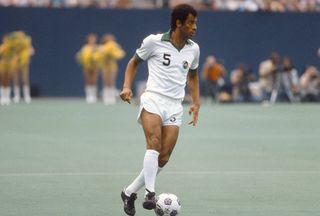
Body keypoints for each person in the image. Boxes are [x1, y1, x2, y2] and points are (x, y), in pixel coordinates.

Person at [119, 4, 200, 215]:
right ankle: (150, 194)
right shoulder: (153, 41)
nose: (195, 27)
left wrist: (196, 102)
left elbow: (193, 75)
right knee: (153, 143)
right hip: (153, 99)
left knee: (163, 156)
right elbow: (133, 62)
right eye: (191, 22)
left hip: (175, 105)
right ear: (178, 23)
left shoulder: (194, 49)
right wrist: (127, 86)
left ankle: (129, 192)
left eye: (196, 22)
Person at [99, 33, 125, 105]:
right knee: (106, 82)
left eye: (111, 39)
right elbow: (99, 56)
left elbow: (120, 54)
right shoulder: (102, 47)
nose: (110, 40)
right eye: (109, 39)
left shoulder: (115, 46)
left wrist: (113, 54)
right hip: (104, 66)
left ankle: (111, 97)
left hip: (112, 66)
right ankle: (106, 97)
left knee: (111, 81)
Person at [11, 31, 35, 104]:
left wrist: (28, 53)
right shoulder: (13, 43)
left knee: (25, 79)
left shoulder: (26, 42)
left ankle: (27, 96)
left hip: (24, 63)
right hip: (15, 63)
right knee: (16, 79)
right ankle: (17, 96)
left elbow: (32, 51)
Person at [76, 33, 100, 104]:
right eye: (91, 39)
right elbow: (80, 56)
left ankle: (93, 96)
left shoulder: (97, 47)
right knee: (88, 81)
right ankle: (89, 96)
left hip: (95, 67)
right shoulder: (85, 48)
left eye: (93, 39)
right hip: (87, 66)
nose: (92, 40)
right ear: (88, 40)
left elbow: (100, 57)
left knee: (94, 81)